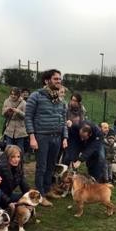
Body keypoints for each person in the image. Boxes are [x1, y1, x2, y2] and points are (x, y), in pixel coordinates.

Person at [26, 69, 68, 206]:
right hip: (41, 137)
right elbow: (28, 118)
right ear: (47, 80)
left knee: (51, 166)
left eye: (60, 79)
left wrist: (65, 137)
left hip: (57, 137)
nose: (59, 81)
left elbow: (63, 119)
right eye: (56, 79)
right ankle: (40, 194)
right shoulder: (36, 96)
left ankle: (48, 189)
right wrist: (32, 137)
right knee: (42, 167)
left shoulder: (61, 99)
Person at [0, 145, 29, 209]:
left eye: (18, 157)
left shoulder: (18, 167)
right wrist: (9, 202)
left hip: (8, 195)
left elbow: (24, 184)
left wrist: (30, 196)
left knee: (26, 197)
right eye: (13, 157)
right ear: (7, 157)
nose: (16, 159)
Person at [2, 87, 28, 152]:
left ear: (18, 95)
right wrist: (7, 111)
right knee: (9, 147)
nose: (13, 96)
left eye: (15, 95)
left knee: (20, 148)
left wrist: (18, 111)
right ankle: (7, 161)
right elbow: (3, 114)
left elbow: (26, 116)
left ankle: (20, 161)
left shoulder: (23, 103)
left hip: (20, 130)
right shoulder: (6, 101)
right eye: (12, 94)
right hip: (9, 129)